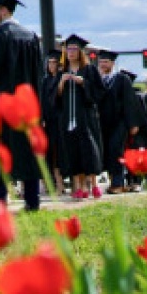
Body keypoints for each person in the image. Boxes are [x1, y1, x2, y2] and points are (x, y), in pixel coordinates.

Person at [0, 0, 42, 211]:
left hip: (3, 104)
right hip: (27, 104)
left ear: (4, 11)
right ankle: (32, 200)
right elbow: (39, 73)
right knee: (26, 151)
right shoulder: (31, 36)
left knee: (1, 151)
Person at [55, 34, 104, 200]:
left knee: (89, 150)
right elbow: (55, 98)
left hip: (86, 118)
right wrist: (61, 82)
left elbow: (100, 93)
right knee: (72, 150)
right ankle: (79, 186)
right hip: (68, 119)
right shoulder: (62, 71)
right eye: (68, 49)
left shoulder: (89, 70)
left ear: (80, 52)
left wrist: (84, 83)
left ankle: (94, 185)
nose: (71, 52)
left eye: (74, 49)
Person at [96, 50, 143, 194]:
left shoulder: (122, 79)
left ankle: (118, 183)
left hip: (119, 122)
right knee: (106, 152)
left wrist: (133, 124)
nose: (103, 64)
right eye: (101, 62)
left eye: (106, 62)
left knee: (116, 150)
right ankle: (113, 181)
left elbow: (130, 102)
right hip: (102, 123)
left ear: (112, 63)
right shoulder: (97, 80)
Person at [120, 69, 147, 192]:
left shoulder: (137, 97)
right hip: (122, 132)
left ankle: (136, 181)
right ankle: (127, 181)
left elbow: (143, 116)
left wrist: (135, 126)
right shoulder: (117, 95)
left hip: (135, 134)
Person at [41, 49, 64, 195]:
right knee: (50, 153)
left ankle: (61, 184)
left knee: (59, 153)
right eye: (49, 63)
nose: (51, 66)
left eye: (54, 63)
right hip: (49, 122)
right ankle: (54, 184)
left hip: (60, 120)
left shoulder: (62, 79)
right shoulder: (45, 81)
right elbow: (42, 101)